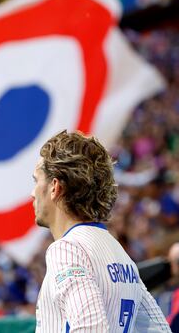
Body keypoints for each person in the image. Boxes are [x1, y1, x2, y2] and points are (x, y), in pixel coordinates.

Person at [32, 130, 171, 332]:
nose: (32, 193)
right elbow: (159, 329)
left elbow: (91, 328)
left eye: (36, 180)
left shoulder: (66, 249)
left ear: (55, 187)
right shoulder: (121, 255)